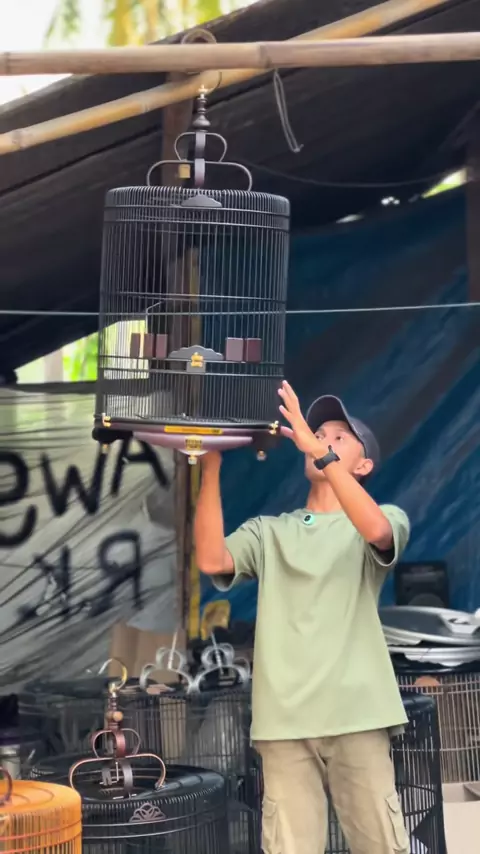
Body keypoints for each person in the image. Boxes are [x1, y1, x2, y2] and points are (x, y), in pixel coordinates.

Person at [194, 381, 411, 854]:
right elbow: (211, 559)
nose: (323, 440)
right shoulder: (271, 532)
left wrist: (321, 454)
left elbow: (376, 531)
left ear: (364, 465)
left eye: (339, 437)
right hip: (284, 723)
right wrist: (209, 467)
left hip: (359, 715)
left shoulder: (385, 518)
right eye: (319, 434)